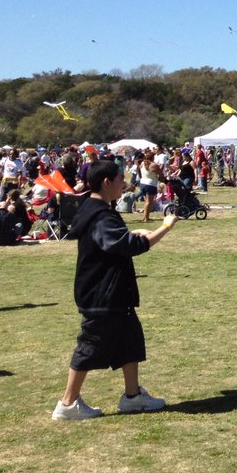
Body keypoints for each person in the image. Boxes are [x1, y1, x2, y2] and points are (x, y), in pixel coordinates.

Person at [53, 160, 182, 420]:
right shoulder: (100, 213)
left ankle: (132, 396)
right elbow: (126, 246)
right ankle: (67, 404)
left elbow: (110, 240)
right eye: (120, 179)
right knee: (90, 345)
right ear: (106, 182)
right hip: (102, 291)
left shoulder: (95, 208)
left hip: (113, 290)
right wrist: (164, 227)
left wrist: (131, 231)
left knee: (130, 341)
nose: (124, 184)